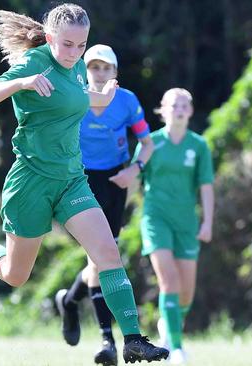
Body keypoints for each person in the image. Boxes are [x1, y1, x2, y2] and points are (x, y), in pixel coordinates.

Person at [0, 4, 168, 364]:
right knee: (14, 274)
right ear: (52, 37)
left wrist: (99, 99)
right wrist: (21, 82)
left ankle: (133, 338)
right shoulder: (35, 63)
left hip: (72, 181)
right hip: (31, 183)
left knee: (107, 253)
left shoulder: (74, 70)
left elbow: (72, 97)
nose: (75, 53)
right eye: (68, 45)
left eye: (81, 45)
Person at [53, 44, 154, 366]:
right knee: (100, 257)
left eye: (105, 68)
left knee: (101, 258)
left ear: (114, 73)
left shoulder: (127, 101)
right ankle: (107, 340)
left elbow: (146, 143)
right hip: (80, 179)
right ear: (85, 70)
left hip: (116, 180)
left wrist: (133, 171)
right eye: (94, 67)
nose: (99, 73)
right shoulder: (75, 97)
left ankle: (69, 301)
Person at [136, 88, 214, 365]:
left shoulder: (198, 145)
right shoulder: (150, 143)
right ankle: (176, 349)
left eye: (184, 105)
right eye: (174, 105)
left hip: (186, 223)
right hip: (156, 219)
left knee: (186, 293)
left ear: (190, 111)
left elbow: (206, 186)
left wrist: (207, 222)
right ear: (163, 110)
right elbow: (136, 175)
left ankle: (168, 327)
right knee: (169, 280)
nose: (179, 109)